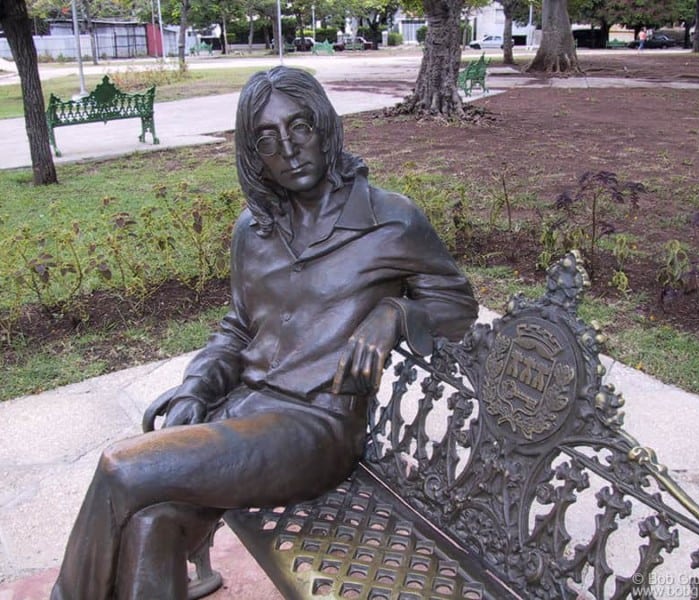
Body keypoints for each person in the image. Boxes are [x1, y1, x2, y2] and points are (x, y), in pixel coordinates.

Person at [50, 66, 479, 600]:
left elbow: (457, 304)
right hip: (239, 411)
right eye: (268, 138)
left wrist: (394, 313)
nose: (290, 149)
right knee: (152, 518)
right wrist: (196, 387)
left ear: (324, 127)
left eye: (300, 127)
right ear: (255, 155)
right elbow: (236, 327)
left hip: (316, 428)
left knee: (121, 468)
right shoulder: (251, 231)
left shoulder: (390, 221)